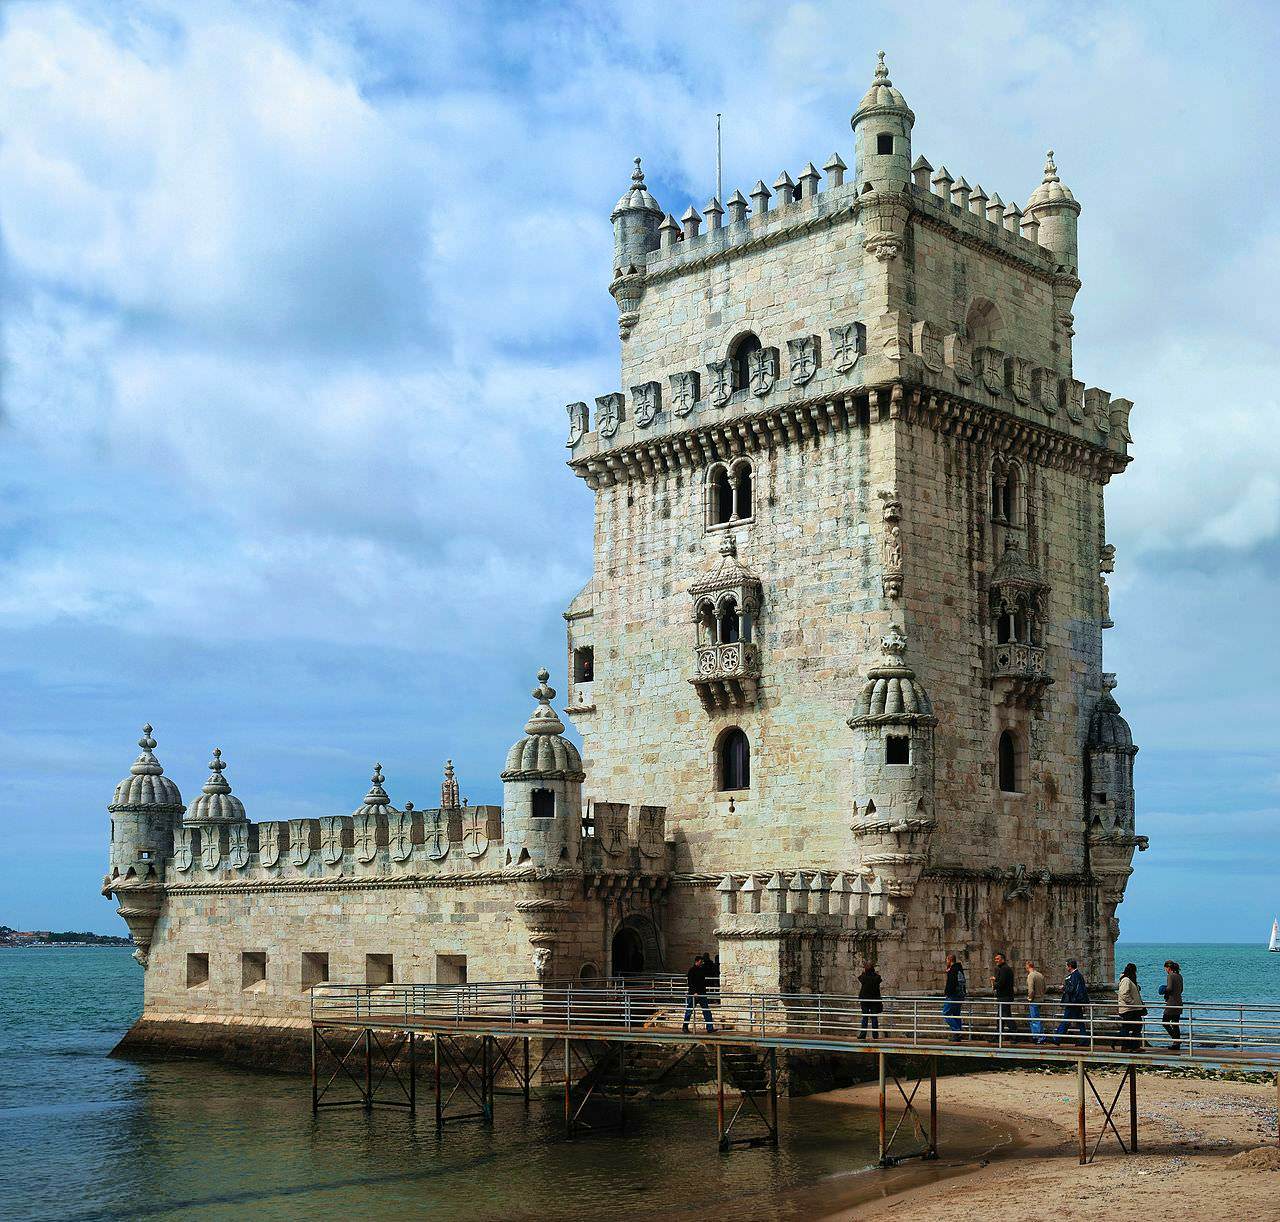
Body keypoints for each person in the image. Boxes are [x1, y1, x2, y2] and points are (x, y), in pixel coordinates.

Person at [1054, 958, 1091, 1043]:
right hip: (1077, 1002)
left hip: (1072, 1002)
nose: (1066, 967)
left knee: (1066, 1020)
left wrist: (1063, 988)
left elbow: (1071, 989)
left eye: (1066, 965)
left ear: (1070, 966)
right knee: (1080, 1021)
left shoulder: (1074, 976)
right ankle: (1084, 1040)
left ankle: (1057, 1038)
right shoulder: (1078, 975)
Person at [682, 954, 715, 1033]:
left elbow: (703, 980)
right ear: (696, 961)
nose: (702, 963)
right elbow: (690, 983)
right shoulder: (692, 970)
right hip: (694, 994)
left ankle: (710, 1028)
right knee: (689, 1010)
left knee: (706, 1010)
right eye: (700, 962)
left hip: (702, 993)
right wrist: (694, 992)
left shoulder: (701, 970)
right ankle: (685, 1027)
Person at [1116, 962, 1146, 1052]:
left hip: (1133, 1009)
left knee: (1135, 1027)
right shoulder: (1126, 980)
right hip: (1129, 1009)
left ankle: (1132, 1046)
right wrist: (1132, 1002)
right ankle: (1127, 1046)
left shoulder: (1129, 979)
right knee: (1131, 1027)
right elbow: (1123, 994)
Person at [1159, 960, 1184, 1052]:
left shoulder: (1170, 976)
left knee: (1165, 1022)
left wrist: (1163, 990)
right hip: (1179, 1002)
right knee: (1175, 1024)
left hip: (1171, 1003)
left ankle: (1176, 1040)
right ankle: (1176, 1044)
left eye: (1165, 968)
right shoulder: (1179, 976)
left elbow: (1169, 988)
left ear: (1168, 968)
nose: (1165, 970)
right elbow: (1181, 989)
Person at [943, 953, 967, 1041]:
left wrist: (947, 993)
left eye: (947, 960)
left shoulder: (952, 970)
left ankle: (957, 1031)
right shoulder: (959, 969)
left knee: (946, 1013)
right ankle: (958, 1034)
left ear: (949, 960)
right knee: (956, 1014)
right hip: (960, 995)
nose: (946, 962)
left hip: (953, 995)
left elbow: (951, 984)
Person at [991, 952, 1015, 1041]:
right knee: (1000, 1017)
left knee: (1006, 1017)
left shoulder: (1004, 969)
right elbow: (1002, 981)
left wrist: (994, 984)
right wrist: (996, 980)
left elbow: (1002, 983)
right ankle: (998, 1036)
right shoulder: (1004, 969)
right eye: (995, 959)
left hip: (1004, 996)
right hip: (1005, 996)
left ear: (1002, 959)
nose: (996, 960)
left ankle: (1015, 1035)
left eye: (997, 959)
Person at [858, 960, 883, 1040]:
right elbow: (879, 979)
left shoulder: (864, 977)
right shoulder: (876, 977)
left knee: (865, 1017)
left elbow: (861, 978)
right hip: (874, 1001)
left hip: (865, 1001)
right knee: (874, 1018)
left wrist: (863, 973)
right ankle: (875, 1035)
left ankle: (863, 1034)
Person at [1025, 960, 1046, 1044]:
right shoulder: (1040, 975)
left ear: (1027, 967)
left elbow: (1031, 990)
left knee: (1035, 1019)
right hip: (1040, 999)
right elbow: (1045, 988)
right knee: (1032, 1018)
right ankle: (1035, 1036)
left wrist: (1030, 998)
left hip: (1034, 1000)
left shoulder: (1031, 975)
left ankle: (1040, 1037)